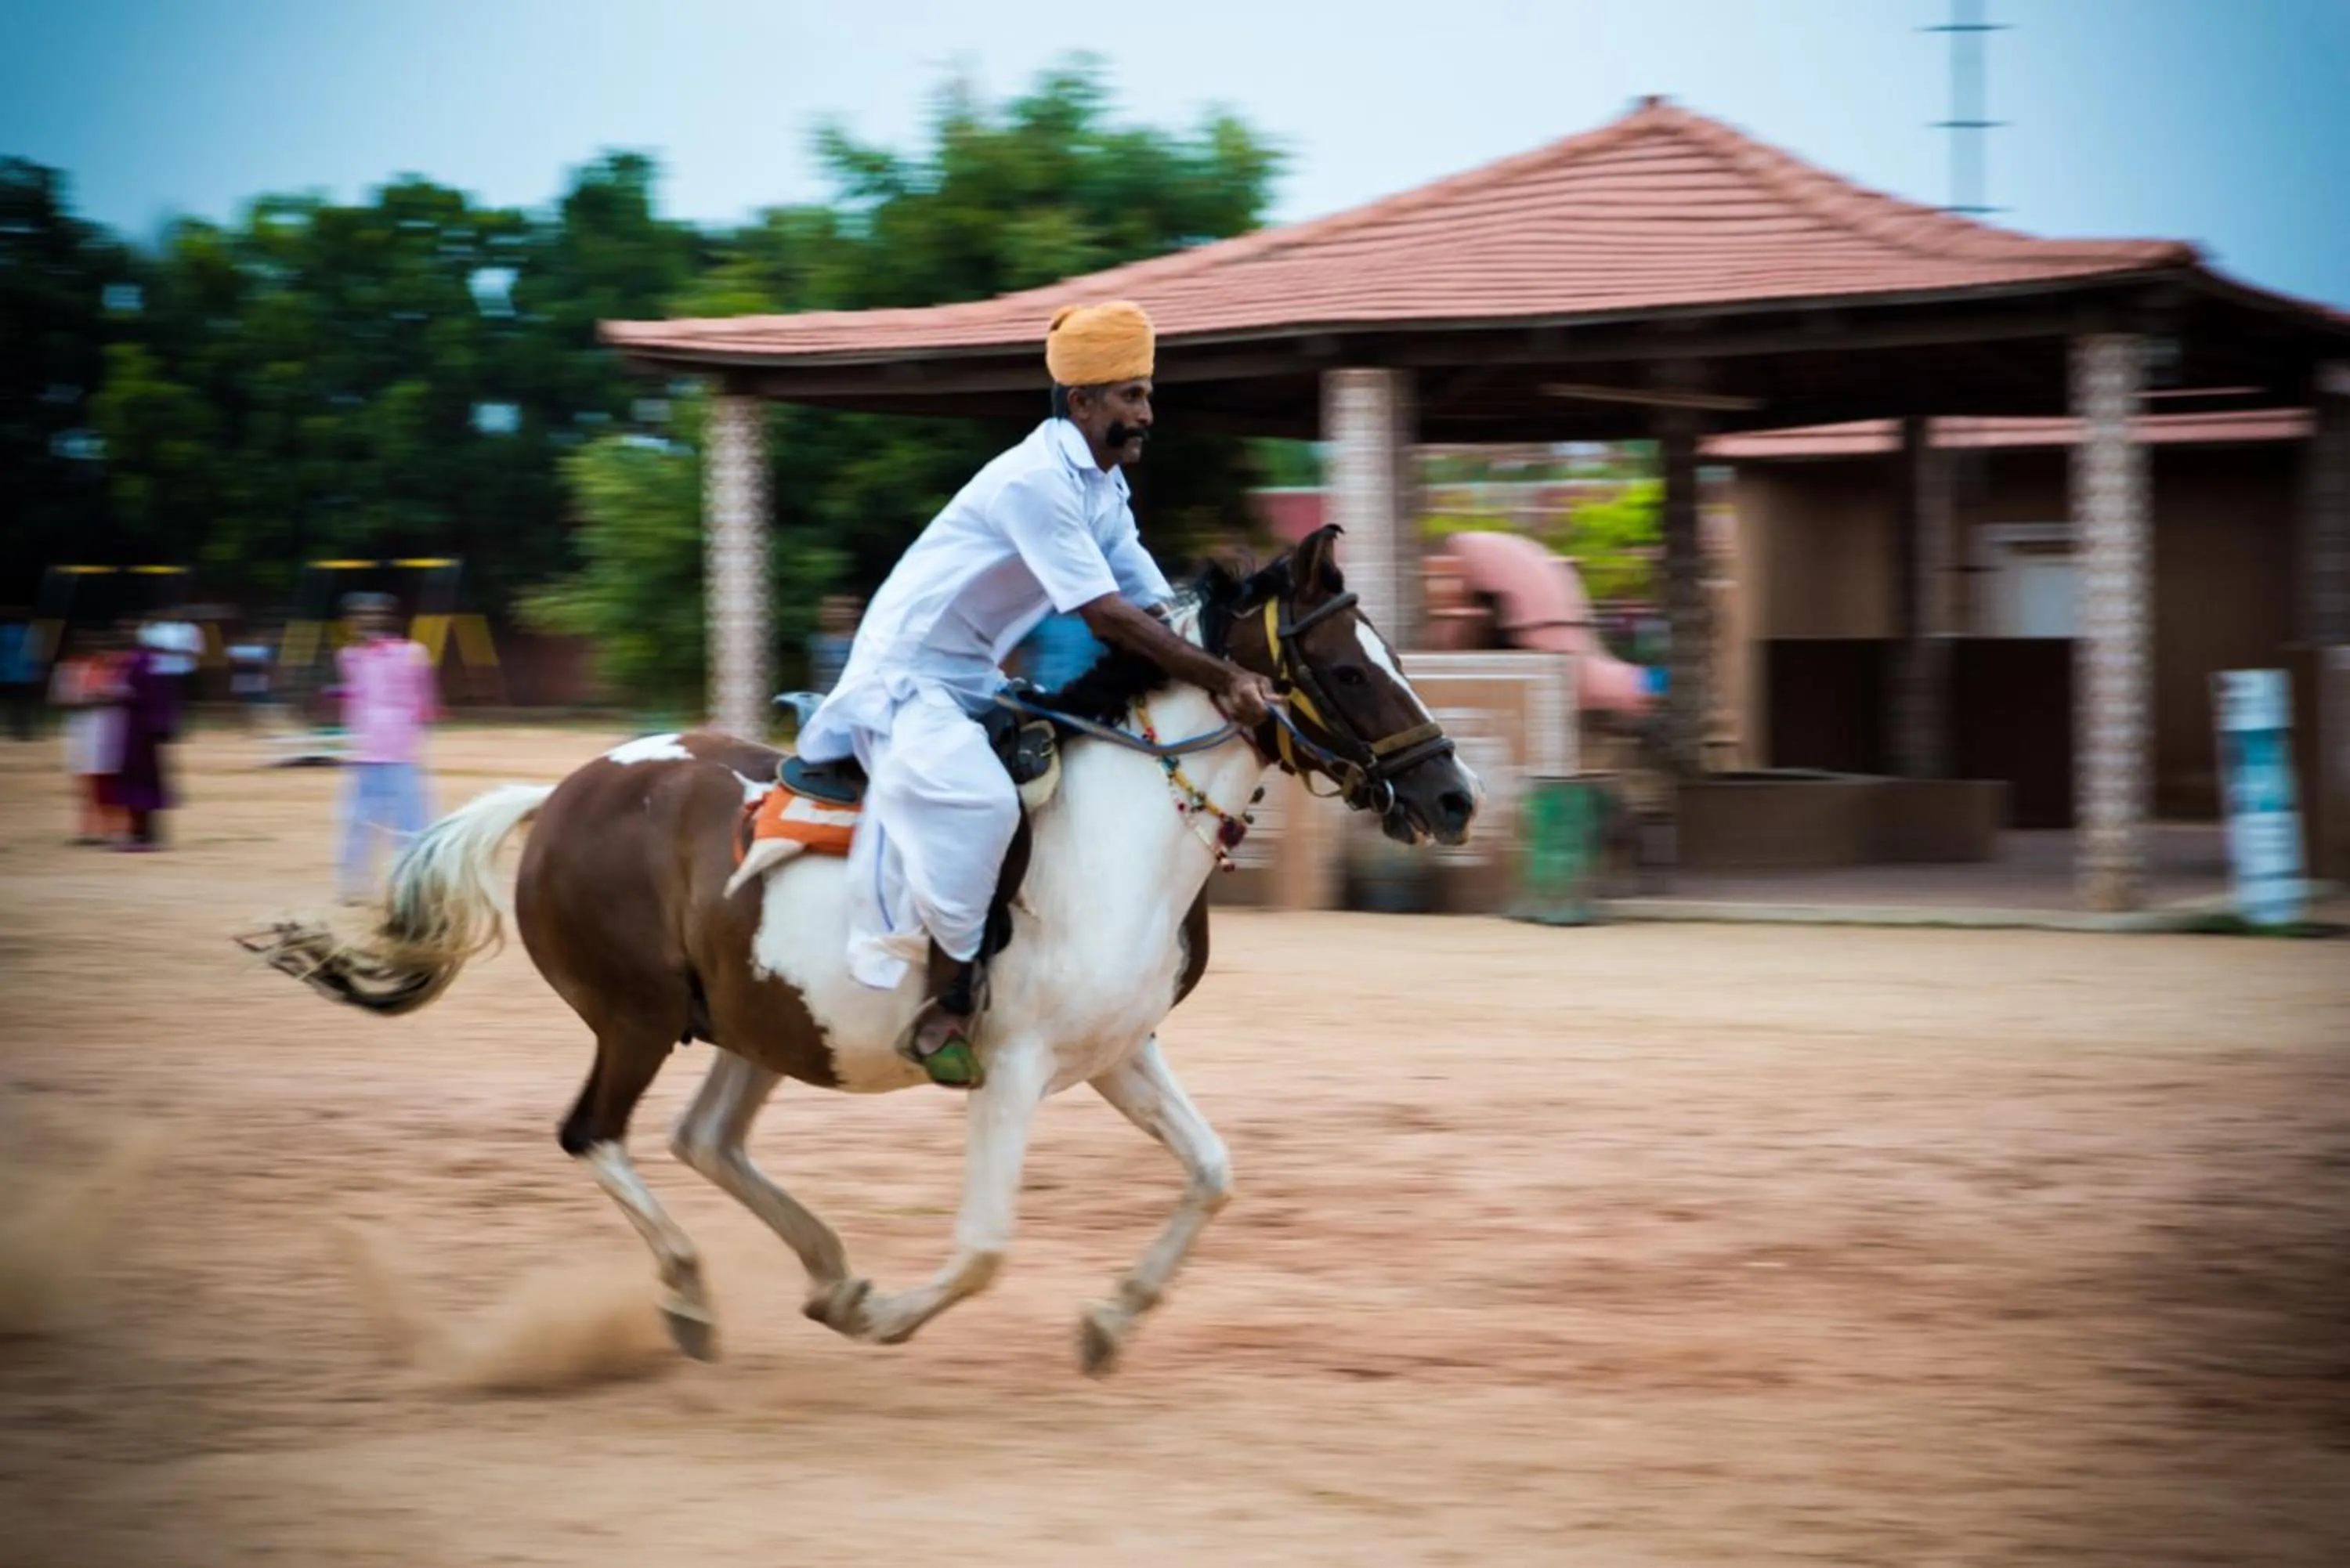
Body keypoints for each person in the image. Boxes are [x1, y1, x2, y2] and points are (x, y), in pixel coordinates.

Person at [794, 298, 1277, 1088]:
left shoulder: (1102, 489)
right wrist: (1226, 679)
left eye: (1148, 394)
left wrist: (1242, 632)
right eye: (1131, 396)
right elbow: (1107, 616)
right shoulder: (1035, 482)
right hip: (907, 678)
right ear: (1080, 401)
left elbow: (1156, 607)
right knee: (983, 802)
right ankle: (946, 1000)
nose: (1147, 413)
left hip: (972, 676)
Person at [332, 593, 439, 903]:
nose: (366, 620)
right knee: (357, 821)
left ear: (391, 617)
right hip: (364, 750)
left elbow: (424, 700)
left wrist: (419, 734)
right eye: (359, 614)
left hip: (400, 750)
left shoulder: (413, 653)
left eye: (375, 613)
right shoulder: (350, 657)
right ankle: (353, 887)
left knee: (411, 823)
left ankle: (412, 885)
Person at [110, 616, 180, 851]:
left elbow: (145, 696)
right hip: (146, 727)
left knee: (139, 780)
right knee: (147, 780)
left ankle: (143, 835)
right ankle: (145, 833)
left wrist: (121, 694)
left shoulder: (140, 663)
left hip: (140, 729)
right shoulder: (154, 663)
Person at [50, 629, 125, 844]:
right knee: (85, 784)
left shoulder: (115, 669)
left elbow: (124, 698)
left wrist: (97, 699)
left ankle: (111, 829)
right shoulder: (67, 669)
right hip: (81, 730)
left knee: (106, 782)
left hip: (108, 728)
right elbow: (58, 701)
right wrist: (90, 700)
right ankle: (89, 830)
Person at [806, 594, 861, 695]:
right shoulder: (816, 642)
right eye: (828, 608)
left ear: (853, 613)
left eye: (839, 608)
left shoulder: (862, 642)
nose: (832, 613)